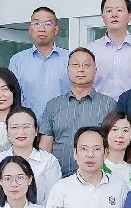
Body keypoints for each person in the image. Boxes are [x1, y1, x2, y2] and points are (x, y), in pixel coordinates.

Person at [41, 48, 118, 177]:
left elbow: (113, 146)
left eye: (87, 65)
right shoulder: (53, 105)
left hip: (96, 179)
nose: (81, 69)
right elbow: (45, 147)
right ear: (68, 70)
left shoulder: (109, 105)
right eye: (76, 65)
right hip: (58, 178)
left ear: (95, 70)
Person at [8, 7, 70, 109]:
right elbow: (14, 96)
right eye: (36, 24)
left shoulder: (70, 59)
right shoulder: (17, 60)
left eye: (48, 24)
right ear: (30, 30)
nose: (42, 29)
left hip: (63, 118)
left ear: (56, 30)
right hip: (27, 119)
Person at [89, 0, 131, 99]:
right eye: (109, 11)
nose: (114, 15)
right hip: (100, 108)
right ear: (102, 16)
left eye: (119, 10)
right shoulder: (91, 50)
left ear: (130, 15)